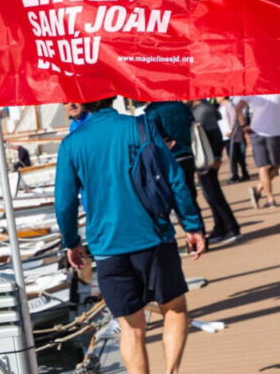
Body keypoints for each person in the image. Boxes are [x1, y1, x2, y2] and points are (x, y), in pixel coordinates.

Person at [56, 97, 205, 374]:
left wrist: (71, 242)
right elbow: (175, 179)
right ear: (110, 96)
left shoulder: (71, 144)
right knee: (174, 308)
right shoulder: (141, 126)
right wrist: (192, 224)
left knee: (131, 326)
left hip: (107, 244)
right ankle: (171, 372)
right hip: (152, 236)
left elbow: (64, 203)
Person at [145, 100, 206, 238]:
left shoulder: (152, 111)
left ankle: (192, 233)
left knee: (176, 198)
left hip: (168, 158)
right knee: (190, 195)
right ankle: (200, 231)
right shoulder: (180, 106)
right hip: (188, 153)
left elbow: (150, 134)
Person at [192, 99, 241, 243]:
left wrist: (216, 156)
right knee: (210, 194)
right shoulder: (202, 110)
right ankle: (220, 227)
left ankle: (230, 227)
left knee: (213, 194)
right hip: (206, 158)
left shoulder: (203, 111)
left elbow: (215, 134)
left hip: (209, 158)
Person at [234, 94, 280, 208]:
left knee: (273, 166)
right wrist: (243, 125)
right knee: (266, 166)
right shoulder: (259, 89)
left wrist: (243, 126)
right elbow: (238, 107)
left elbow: (238, 108)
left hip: (268, 132)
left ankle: (258, 189)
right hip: (262, 132)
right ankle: (270, 198)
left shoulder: (272, 89)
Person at [218, 97, 250, 182]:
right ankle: (237, 173)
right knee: (232, 155)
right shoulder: (220, 107)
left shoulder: (230, 105)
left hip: (232, 134)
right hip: (224, 134)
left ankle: (240, 173)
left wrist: (231, 130)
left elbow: (233, 118)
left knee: (235, 154)